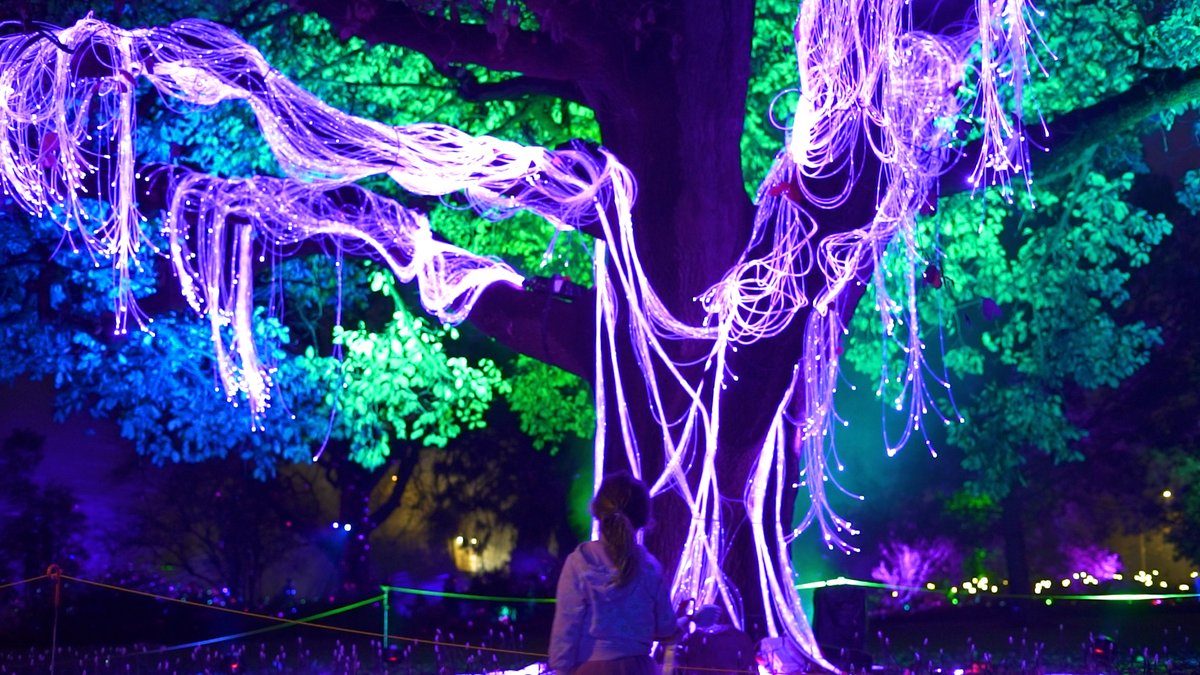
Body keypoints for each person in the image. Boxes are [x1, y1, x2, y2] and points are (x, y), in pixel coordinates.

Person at [549, 472, 681, 675]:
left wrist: (561, 667)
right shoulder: (649, 567)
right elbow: (666, 628)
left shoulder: (580, 562)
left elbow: (565, 630)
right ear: (643, 517)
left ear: (598, 510)